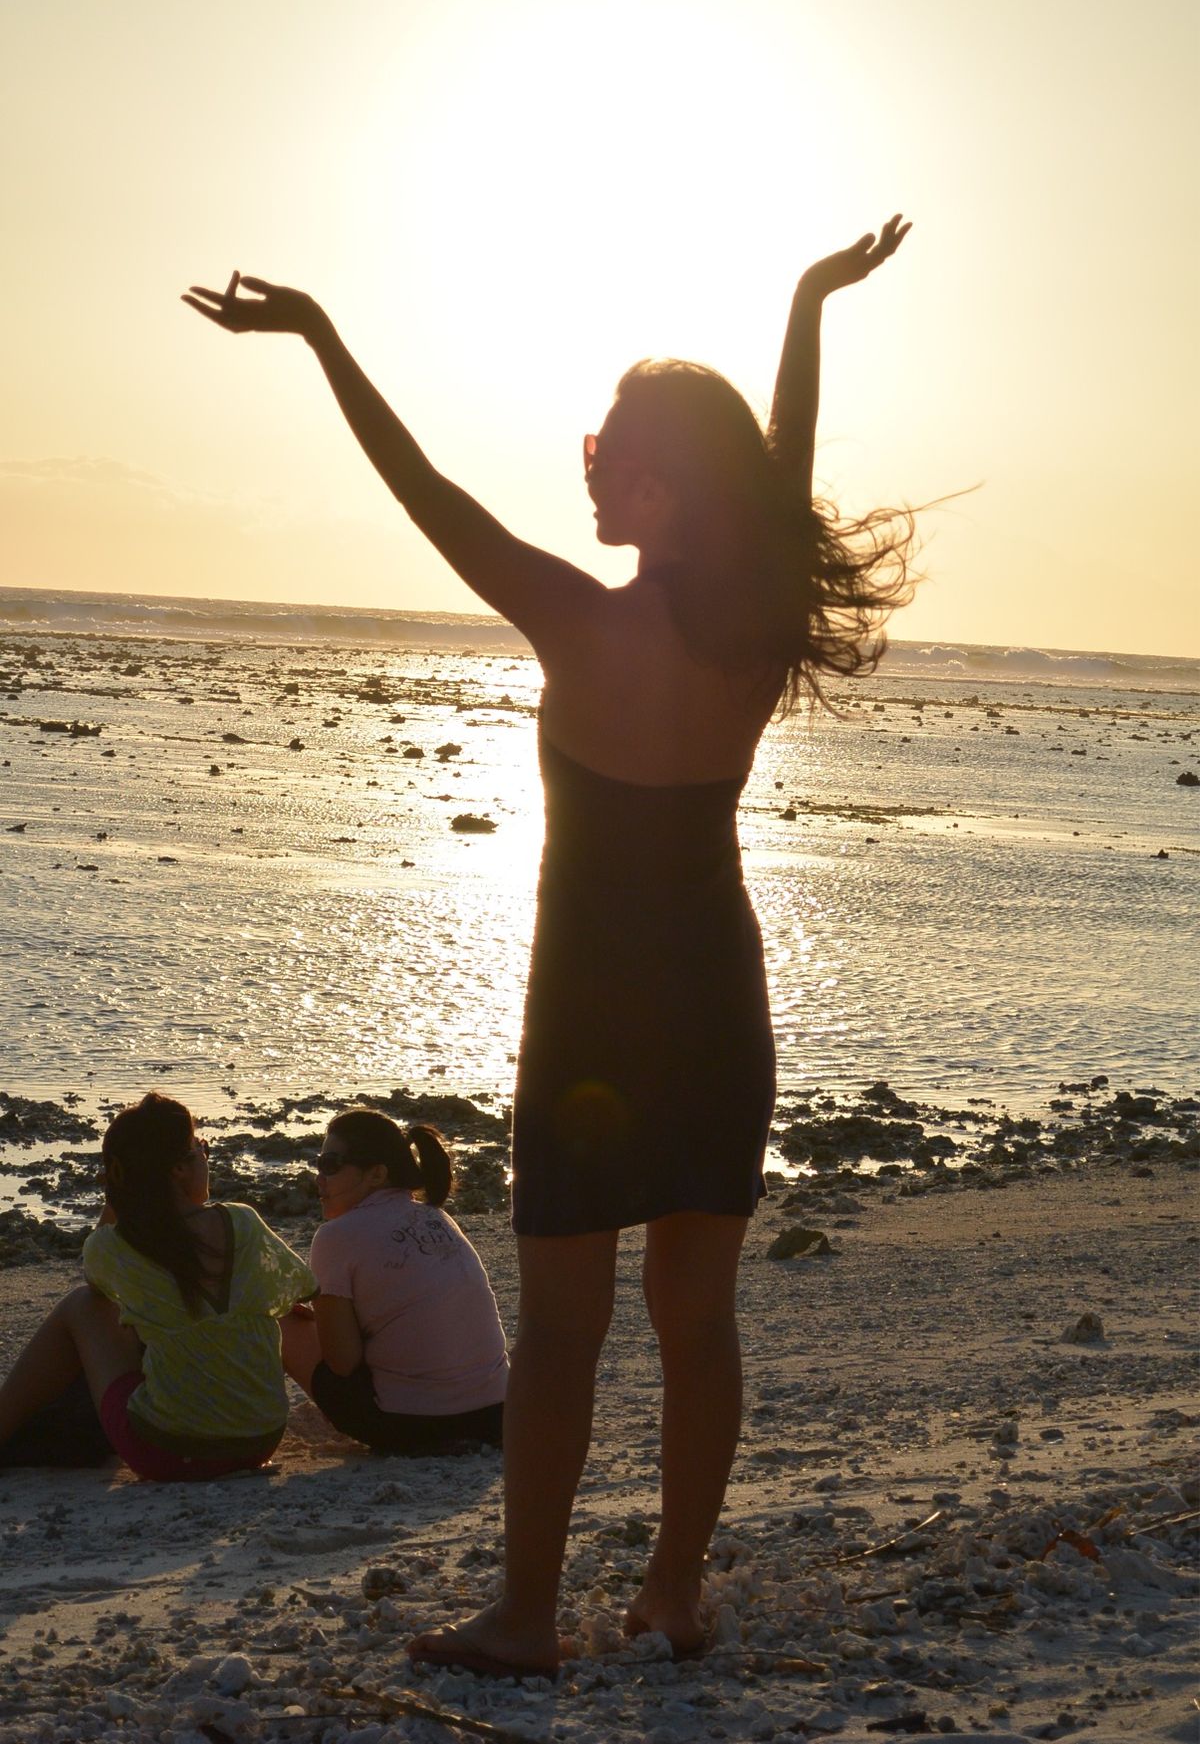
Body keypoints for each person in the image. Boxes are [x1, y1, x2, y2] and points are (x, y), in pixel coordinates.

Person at [183, 214, 914, 1671]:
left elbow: (423, 491)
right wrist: (807, 305)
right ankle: (672, 1591)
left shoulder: (576, 620)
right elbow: (784, 469)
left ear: (667, 485)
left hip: (588, 1020)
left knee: (572, 1333)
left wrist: (324, 335)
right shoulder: (757, 625)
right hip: (717, 1000)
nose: (588, 458)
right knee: (695, 1321)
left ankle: (530, 1614)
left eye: (614, 445)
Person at [0, 1092, 317, 1481]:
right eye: (200, 1147)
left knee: (82, 1305)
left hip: (165, 1451)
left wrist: (124, 1197)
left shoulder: (112, 1247)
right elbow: (299, 1289)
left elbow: (99, 1286)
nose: (205, 1155)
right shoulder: (244, 1223)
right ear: (178, 1170)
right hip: (259, 1440)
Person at [279, 1109, 507, 1454]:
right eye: (318, 1163)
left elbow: (343, 1362)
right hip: (498, 1413)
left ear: (377, 1174)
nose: (318, 1178)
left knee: (285, 1322)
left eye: (330, 1165)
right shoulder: (437, 1216)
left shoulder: (335, 1236)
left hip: (413, 1425)